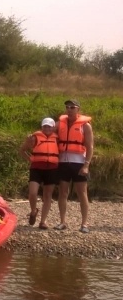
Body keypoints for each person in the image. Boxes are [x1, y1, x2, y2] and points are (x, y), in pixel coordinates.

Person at [55, 99, 93, 233]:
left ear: (78, 109)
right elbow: (48, 132)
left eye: (72, 107)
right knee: (63, 192)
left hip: (79, 163)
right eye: (67, 107)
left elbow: (90, 146)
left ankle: (84, 224)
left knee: (82, 193)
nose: (69, 110)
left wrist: (86, 165)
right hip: (63, 162)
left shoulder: (85, 126)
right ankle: (62, 222)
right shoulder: (60, 123)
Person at [19, 117, 59, 229]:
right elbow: (22, 150)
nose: (47, 128)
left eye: (49, 126)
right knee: (33, 193)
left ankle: (43, 221)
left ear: (53, 128)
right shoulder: (34, 137)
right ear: (42, 127)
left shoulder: (57, 139)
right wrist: (30, 159)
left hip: (52, 168)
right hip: (36, 168)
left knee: (47, 195)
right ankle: (33, 211)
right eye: (45, 126)